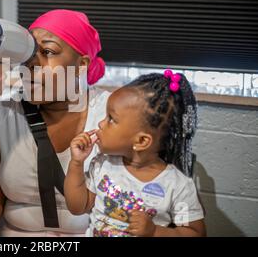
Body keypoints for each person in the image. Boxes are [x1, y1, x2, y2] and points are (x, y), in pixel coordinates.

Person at [0, 9, 108, 236]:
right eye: (29, 53)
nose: (32, 63)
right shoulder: (3, 111)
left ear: (81, 64)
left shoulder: (110, 116)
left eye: (48, 51)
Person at [64, 71, 206, 237]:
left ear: (141, 142)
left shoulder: (176, 185)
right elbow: (77, 207)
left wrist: (155, 231)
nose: (101, 124)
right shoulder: (102, 164)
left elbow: (196, 233)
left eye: (111, 119)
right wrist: (76, 163)